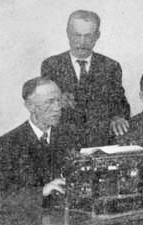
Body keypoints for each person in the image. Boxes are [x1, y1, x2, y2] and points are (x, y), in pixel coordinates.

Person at [41, 10, 130, 147]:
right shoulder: (51, 65)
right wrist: (58, 100)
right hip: (62, 145)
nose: (82, 42)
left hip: (101, 143)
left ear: (97, 36)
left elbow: (120, 103)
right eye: (77, 35)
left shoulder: (111, 66)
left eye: (88, 36)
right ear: (68, 33)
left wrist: (118, 117)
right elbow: (43, 107)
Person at [0, 77, 81, 199]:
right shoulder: (4, 146)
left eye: (59, 101)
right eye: (49, 102)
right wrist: (40, 192)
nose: (57, 108)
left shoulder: (72, 137)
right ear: (30, 107)